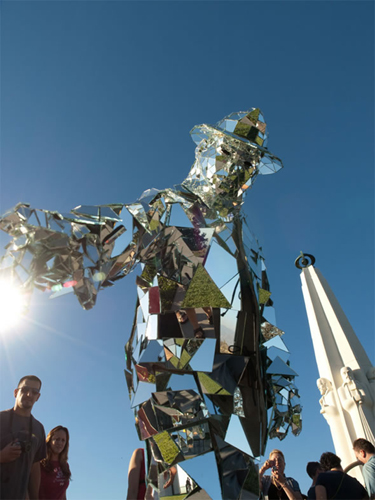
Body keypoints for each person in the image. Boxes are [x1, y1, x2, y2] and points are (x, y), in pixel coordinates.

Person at [0, 375, 46, 500]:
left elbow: (35, 466)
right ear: (16, 392)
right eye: (25, 390)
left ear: (38, 397)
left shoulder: (39, 428)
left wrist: (34, 497)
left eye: (34, 392)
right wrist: (2, 456)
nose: (29, 394)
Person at [39, 426, 71, 499]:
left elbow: (63, 494)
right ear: (50, 441)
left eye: (63, 440)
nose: (60, 443)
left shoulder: (65, 466)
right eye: (57, 439)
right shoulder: (40, 464)